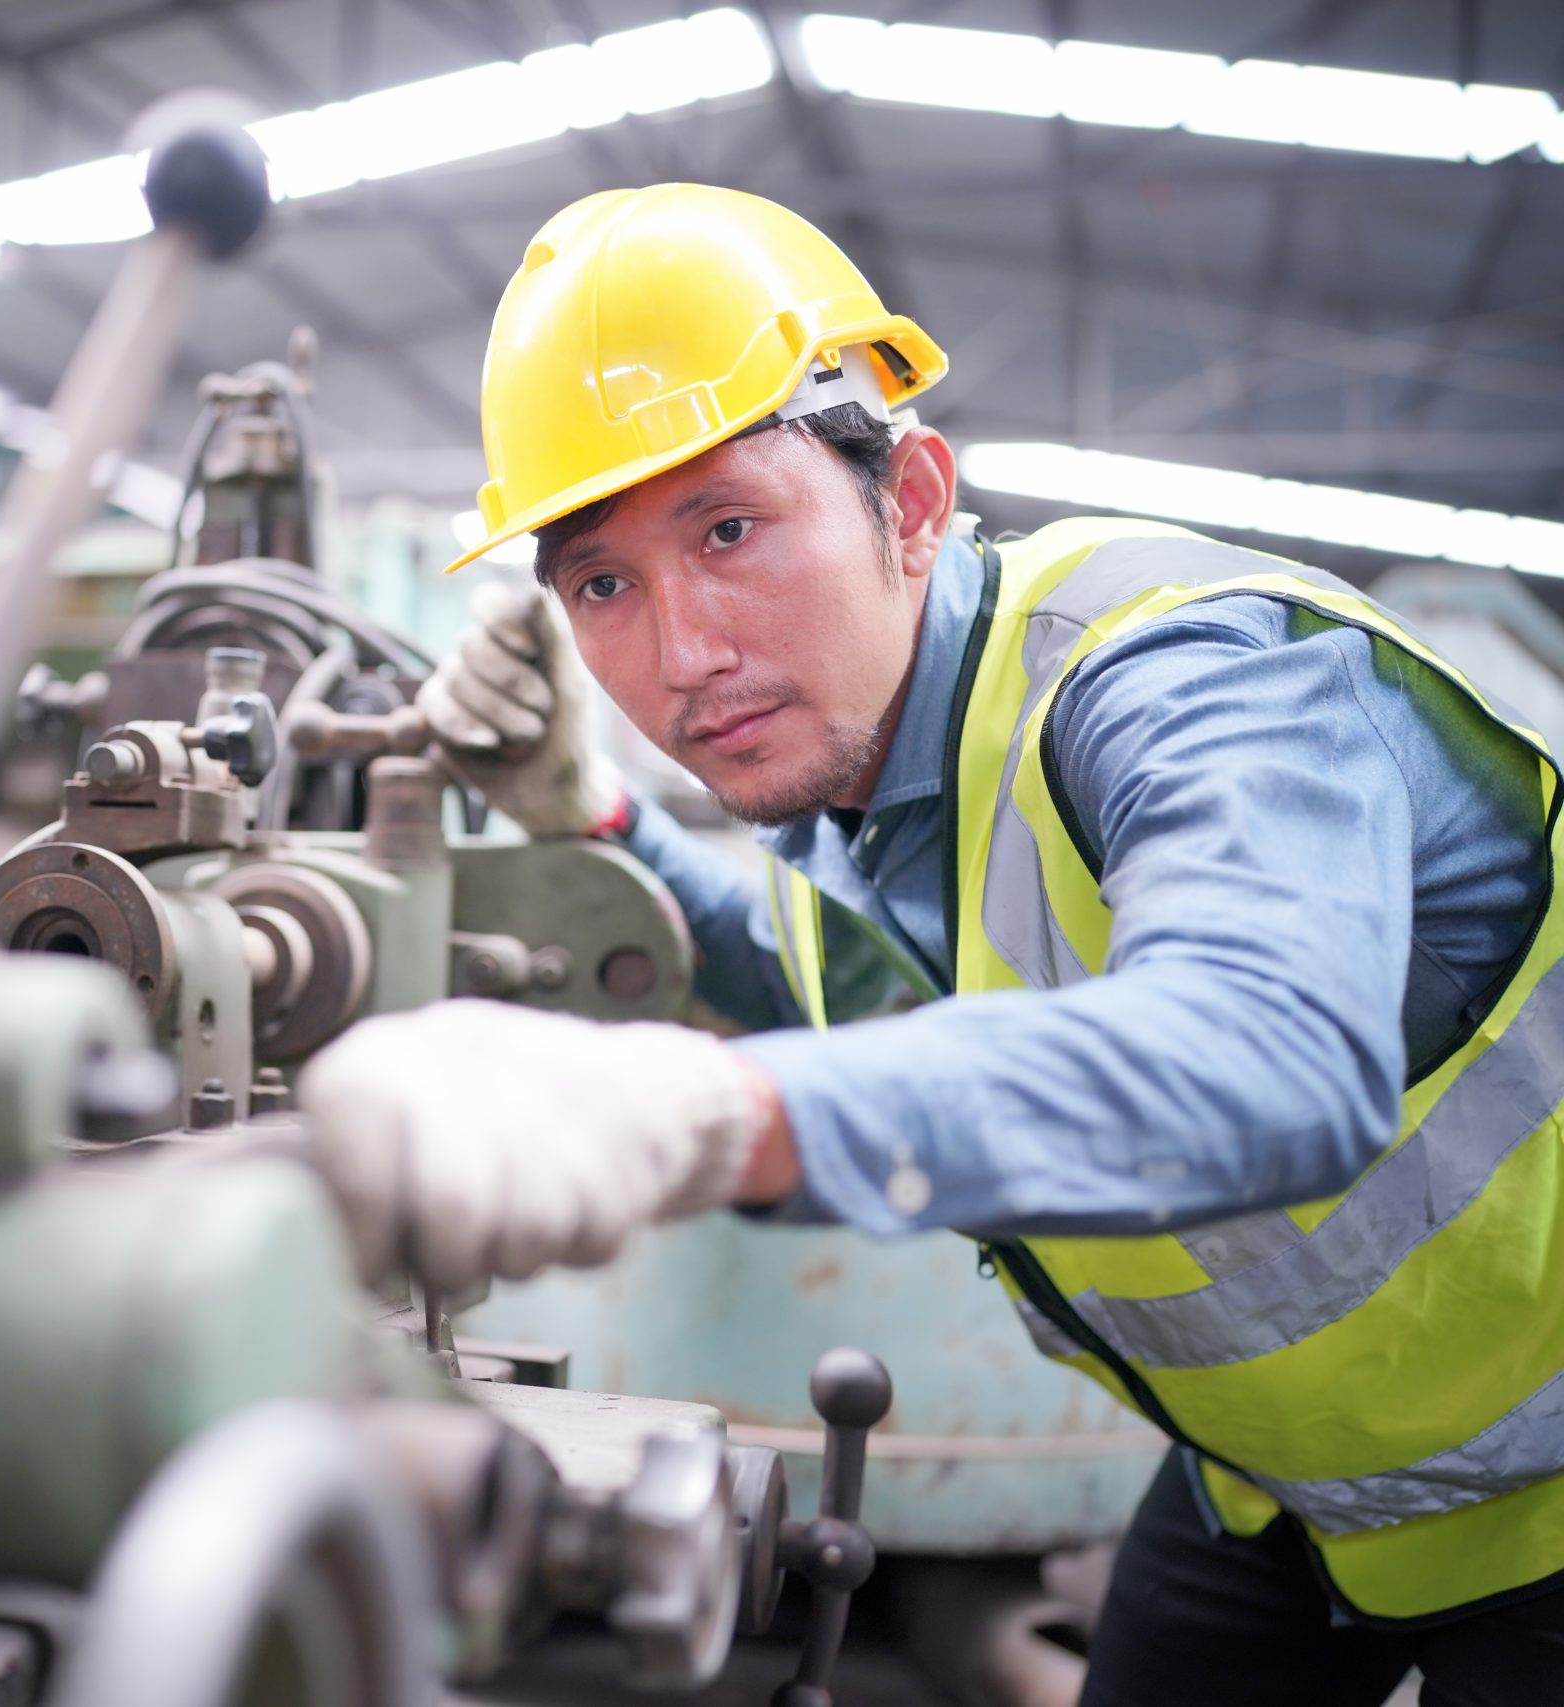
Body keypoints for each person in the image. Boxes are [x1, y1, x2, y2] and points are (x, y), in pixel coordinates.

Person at [295, 184, 1564, 1703]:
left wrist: (716, 1116)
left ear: (906, 500)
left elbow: (1271, 1051)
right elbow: (810, 978)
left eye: (731, 528)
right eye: (604, 584)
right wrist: (602, 823)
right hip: (1275, 1488)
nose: (685, 656)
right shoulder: (869, 790)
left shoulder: (1177, 674)